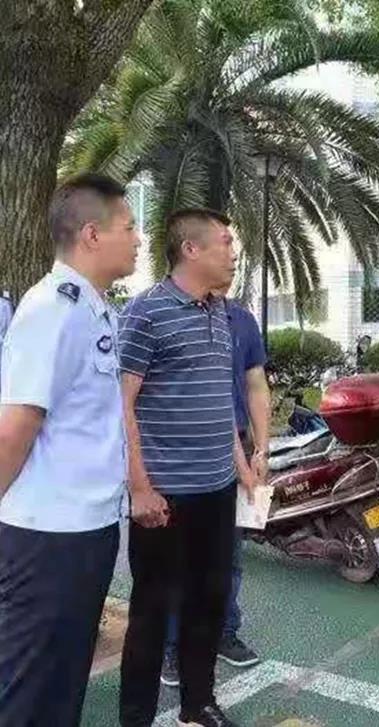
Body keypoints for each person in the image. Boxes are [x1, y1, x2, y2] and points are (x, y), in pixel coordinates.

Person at [0, 173, 139, 725]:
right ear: (91, 235)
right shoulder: (51, 310)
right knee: (29, 691)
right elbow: (16, 427)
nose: (138, 239)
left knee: (61, 686)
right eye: (129, 227)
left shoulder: (93, 309)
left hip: (86, 531)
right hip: (47, 538)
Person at [118, 208, 256, 727]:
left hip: (217, 490)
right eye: (225, 242)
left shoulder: (222, 312)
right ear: (191, 249)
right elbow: (121, 406)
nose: (233, 253)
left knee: (208, 601)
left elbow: (219, 401)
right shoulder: (146, 313)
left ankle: (197, 705)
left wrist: (241, 466)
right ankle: (136, 716)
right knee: (152, 612)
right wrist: (140, 488)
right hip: (165, 496)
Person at [162, 290, 270, 687]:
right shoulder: (167, 315)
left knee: (229, 553)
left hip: (236, 443)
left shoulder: (241, 319)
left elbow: (255, 384)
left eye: (233, 259)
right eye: (224, 257)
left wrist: (261, 448)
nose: (231, 262)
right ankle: (173, 646)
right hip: (185, 450)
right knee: (180, 557)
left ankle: (224, 631)